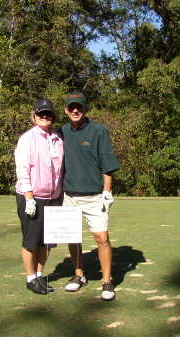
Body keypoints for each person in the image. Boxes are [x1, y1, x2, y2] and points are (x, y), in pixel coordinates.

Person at [60, 92, 120, 301]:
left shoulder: (98, 131)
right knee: (72, 237)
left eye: (79, 107)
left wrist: (107, 191)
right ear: (66, 110)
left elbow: (107, 164)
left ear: (85, 109)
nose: (75, 110)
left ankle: (107, 281)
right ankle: (79, 275)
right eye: (71, 107)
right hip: (69, 195)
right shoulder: (62, 132)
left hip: (95, 196)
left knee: (101, 238)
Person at [14, 98, 63, 295]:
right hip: (32, 197)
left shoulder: (58, 139)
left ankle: (39, 275)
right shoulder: (27, 139)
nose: (45, 117)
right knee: (31, 240)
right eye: (41, 114)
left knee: (47, 241)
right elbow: (22, 170)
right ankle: (30, 278)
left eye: (48, 114)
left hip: (54, 197)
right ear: (34, 117)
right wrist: (29, 197)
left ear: (53, 117)